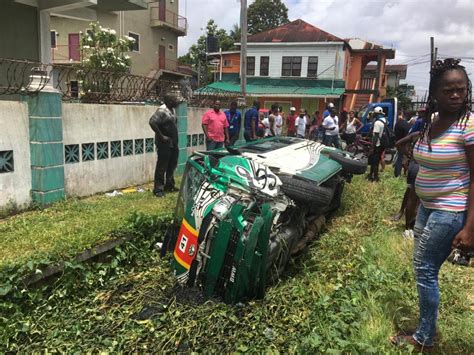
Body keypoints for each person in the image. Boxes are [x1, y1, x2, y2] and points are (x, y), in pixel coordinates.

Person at [390, 58, 474, 352]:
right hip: (427, 206)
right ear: (435, 93)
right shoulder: (432, 121)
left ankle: (425, 337)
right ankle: (427, 328)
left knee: (425, 270)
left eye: (461, 90)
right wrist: (409, 144)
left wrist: (470, 227)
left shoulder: (469, 125)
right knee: (423, 268)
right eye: (449, 90)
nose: (455, 95)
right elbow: (404, 145)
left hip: (450, 209)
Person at [149, 93, 179, 198]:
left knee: (172, 165)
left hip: (173, 144)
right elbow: (152, 122)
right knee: (162, 166)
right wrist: (161, 136)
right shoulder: (162, 111)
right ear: (170, 101)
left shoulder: (172, 110)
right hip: (164, 144)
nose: (177, 101)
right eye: (175, 99)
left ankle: (169, 185)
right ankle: (158, 189)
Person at [366, 106, 386, 182]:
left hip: (377, 145)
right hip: (382, 144)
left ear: (376, 114)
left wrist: (372, 147)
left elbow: (376, 136)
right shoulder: (385, 120)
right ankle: (371, 175)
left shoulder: (377, 123)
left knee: (374, 162)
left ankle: (375, 178)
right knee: (375, 161)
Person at [393, 113, 411, 177]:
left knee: (399, 158)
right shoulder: (406, 124)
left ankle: (397, 173)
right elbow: (408, 135)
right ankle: (400, 173)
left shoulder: (397, 123)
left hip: (398, 141)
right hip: (404, 143)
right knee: (404, 159)